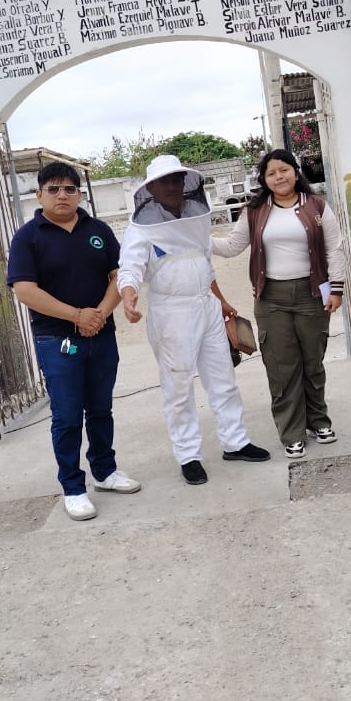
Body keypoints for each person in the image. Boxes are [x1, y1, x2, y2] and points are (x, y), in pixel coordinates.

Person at [118, 154, 271, 484]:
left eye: (177, 179)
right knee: (178, 385)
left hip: (207, 306)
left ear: (185, 182)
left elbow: (205, 264)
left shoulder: (196, 216)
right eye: (165, 181)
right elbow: (130, 268)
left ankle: (235, 442)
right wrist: (128, 295)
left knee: (223, 378)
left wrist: (221, 301)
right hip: (171, 314)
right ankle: (188, 455)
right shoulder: (140, 229)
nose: (172, 186)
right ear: (151, 188)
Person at [7, 161, 140, 521]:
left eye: (69, 189)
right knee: (67, 416)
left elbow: (119, 274)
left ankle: (105, 472)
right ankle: (73, 487)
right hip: (57, 341)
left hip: (101, 336)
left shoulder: (98, 230)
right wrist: (76, 316)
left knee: (100, 409)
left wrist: (99, 314)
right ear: (39, 195)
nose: (62, 195)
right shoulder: (28, 237)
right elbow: (25, 290)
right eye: (53, 189)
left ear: (79, 194)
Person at [212, 149, 348, 460]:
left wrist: (336, 290)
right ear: (264, 179)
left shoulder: (316, 206)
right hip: (271, 298)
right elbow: (232, 246)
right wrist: (194, 238)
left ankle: (318, 421)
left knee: (313, 361)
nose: (279, 177)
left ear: (295, 172)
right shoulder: (255, 211)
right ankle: (292, 432)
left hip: (312, 294)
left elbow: (334, 248)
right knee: (281, 366)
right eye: (271, 173)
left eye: (284, 170)